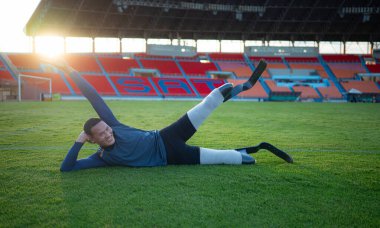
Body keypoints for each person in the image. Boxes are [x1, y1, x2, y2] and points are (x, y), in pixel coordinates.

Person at [47, 60, 292, 172]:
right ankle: (248, 154)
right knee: (230, 158)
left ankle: (240, 87)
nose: (108, 132)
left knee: (210, 100)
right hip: (172, 157)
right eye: (102, 133)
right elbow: (67, 168)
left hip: (165, 135)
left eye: (107, 129)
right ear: (92, 139)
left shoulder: (112, 124)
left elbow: (94, 97)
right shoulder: (101, 159)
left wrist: (71, 70)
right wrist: (79, 140)